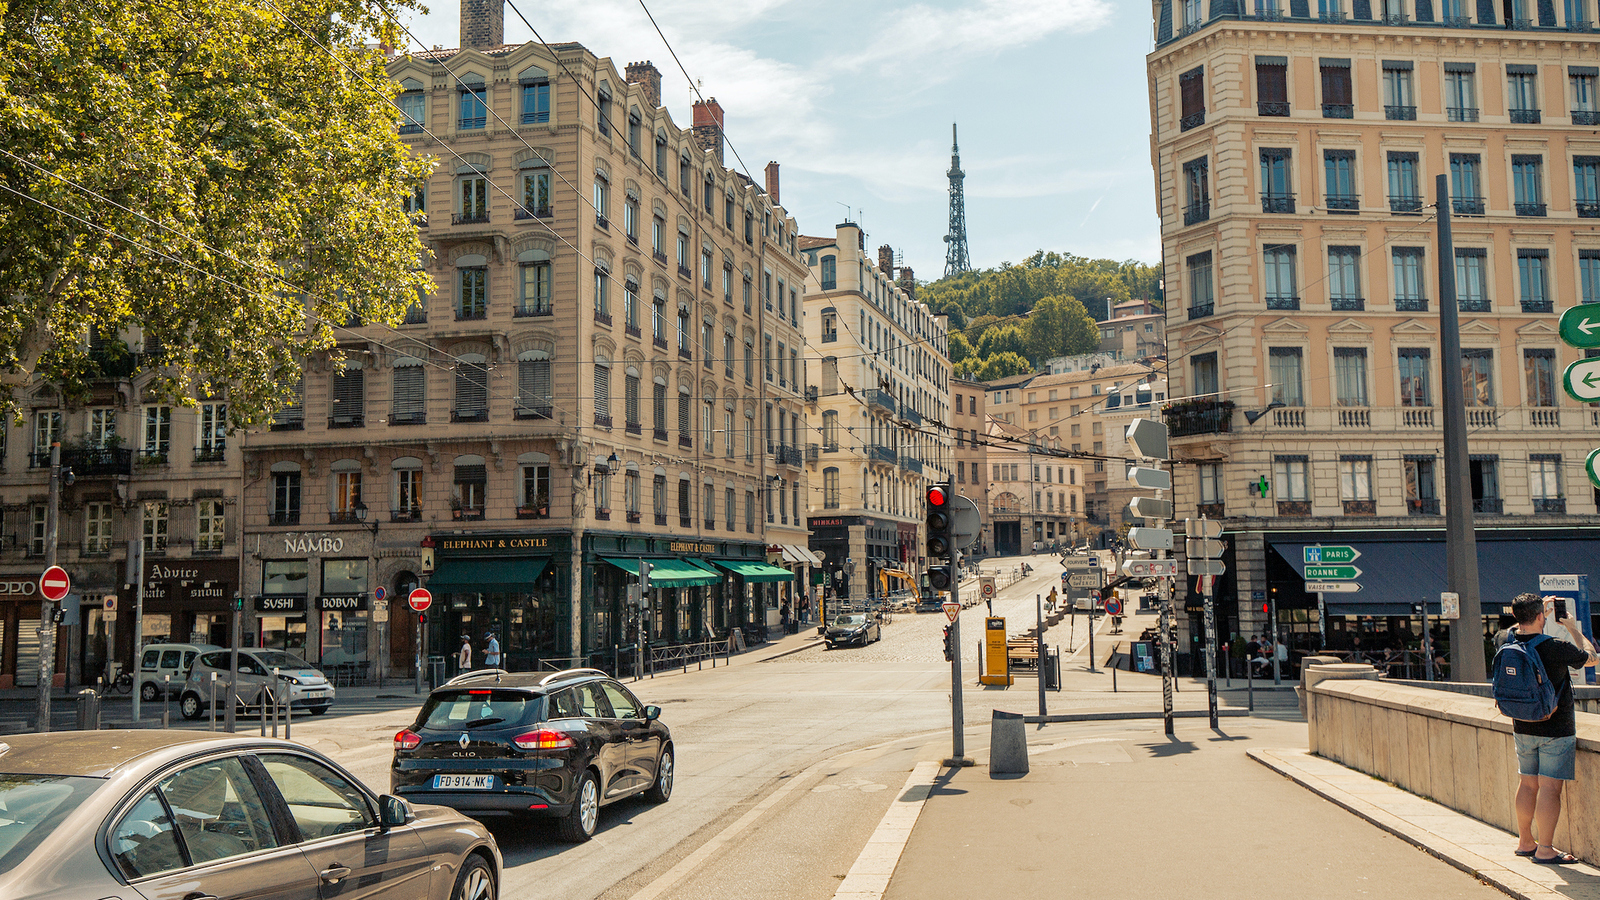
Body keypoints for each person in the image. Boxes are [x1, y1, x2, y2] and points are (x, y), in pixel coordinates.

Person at [1505, 593, 1599, 864]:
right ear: (1540, 616)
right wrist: (1572, 627)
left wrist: (1535, 612)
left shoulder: (1508, 641)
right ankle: (1545, 849)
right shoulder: (1555, 645)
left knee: (1527, 783)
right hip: (1556, 728)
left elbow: (1518, 627)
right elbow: (1591, 658)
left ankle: (1525, 841)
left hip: (1522, 724)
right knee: (1549, 789)